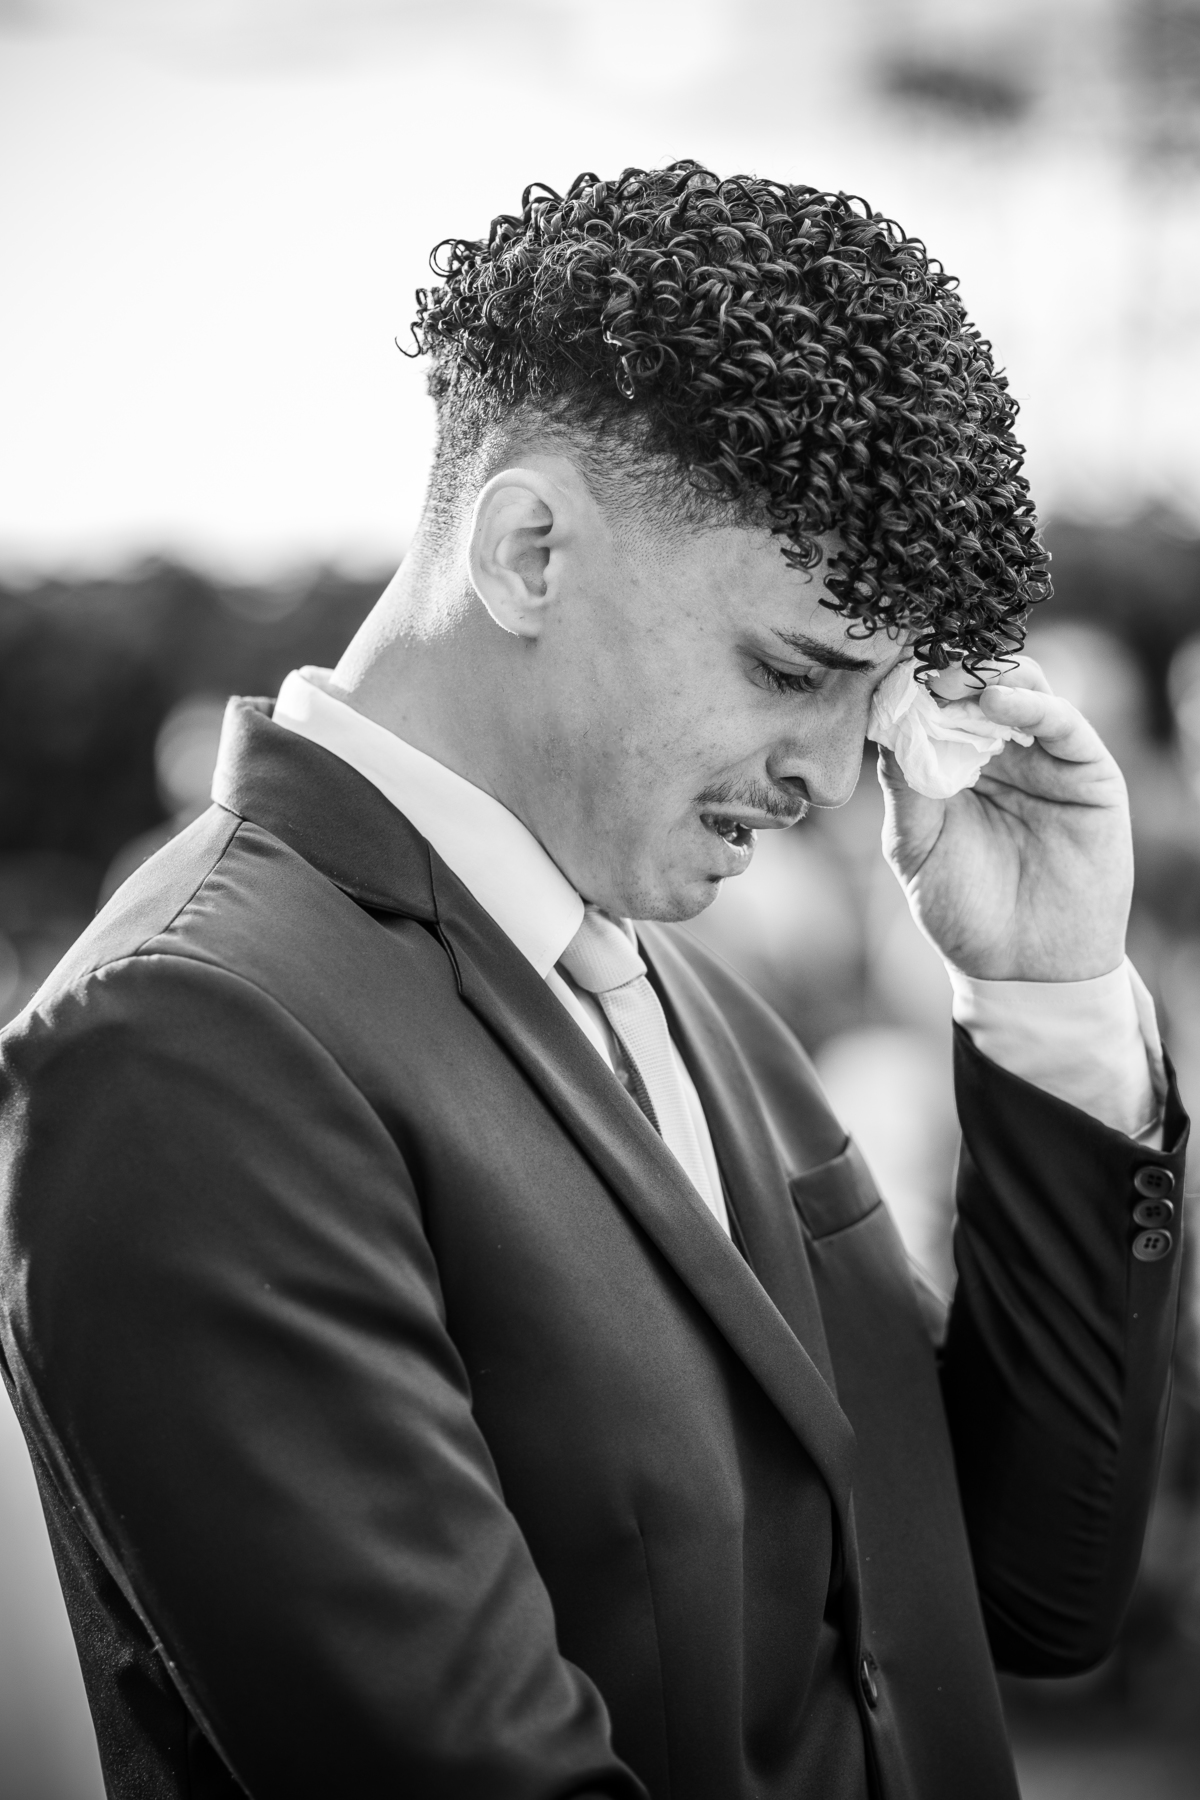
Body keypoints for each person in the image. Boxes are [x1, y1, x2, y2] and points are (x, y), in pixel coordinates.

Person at [0, 164, 1186, 1800]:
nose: (838, 776)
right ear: (529, 550)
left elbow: (1021, 1592)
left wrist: (1051, 996)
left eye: (874, 695)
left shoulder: (683, 993)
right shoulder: (183, 1044)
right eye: (791, 669)